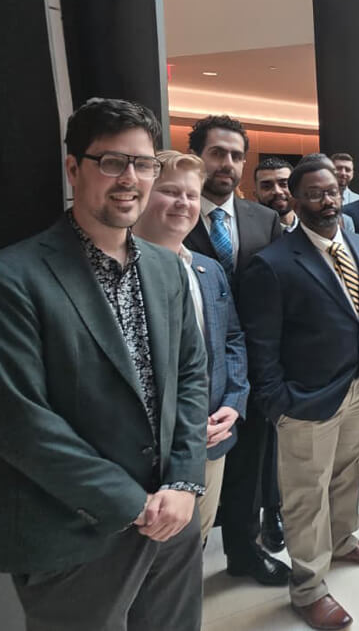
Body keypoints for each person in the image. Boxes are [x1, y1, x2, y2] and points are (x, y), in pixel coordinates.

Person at [0, 98, 208, 630]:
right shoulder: (16, 277)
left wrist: (184, 482)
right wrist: (131, 503)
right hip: (75, 529)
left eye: (143, 164)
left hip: (173, 515)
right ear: (74, 169)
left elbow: (189, 377)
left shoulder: (166, 269)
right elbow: (21, 421)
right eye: (112, 162)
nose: (130, 179)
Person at [239, 158, 359, 630]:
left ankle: (344, 540)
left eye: (332, 192)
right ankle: (307, 587)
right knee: (305, 496)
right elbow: (261, 348)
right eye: (314, 194)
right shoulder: (273, 264)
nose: (327, 201)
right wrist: (278, 405)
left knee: (348, 473)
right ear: (296, 199)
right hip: (305, 402)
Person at [184, 114, 289, 583]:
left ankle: (244, 553)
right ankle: (182, 570)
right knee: (193, 475)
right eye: (216, 153)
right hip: (193, 373)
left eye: (235, 155)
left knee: (250, 463)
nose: (226, 163)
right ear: (197, 158)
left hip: (255, 369)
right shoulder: (171, 215)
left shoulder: (263, 219)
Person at [133, 150, 250, 544]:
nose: (184, 203)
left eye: (192, 194)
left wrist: (234, 401)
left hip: (212, 439)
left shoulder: (208, 268)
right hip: (148, 459)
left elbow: (232, 338)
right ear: (143, 194)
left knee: (193, 546)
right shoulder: (116, 271)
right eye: (170, 191)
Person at [255, 156, 298, 232]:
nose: (277, 191)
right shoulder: (246, 234)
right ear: (255, 193)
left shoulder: (314, 229)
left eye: (284, 184)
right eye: (267, 186)